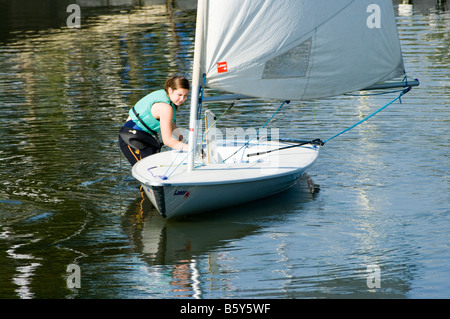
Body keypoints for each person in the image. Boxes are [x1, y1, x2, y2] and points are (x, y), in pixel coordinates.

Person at [119, 76, 190, 166]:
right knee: (148, 169)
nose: (182, 99)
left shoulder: (167, 100)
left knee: (158, 168)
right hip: (130, 138)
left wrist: (185, 141)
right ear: (170, 90)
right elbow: (167, 141)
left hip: (144, 137)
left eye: (185, 95)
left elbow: (172, 126)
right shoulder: (165, 107)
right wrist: (191, 149)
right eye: (179, 95)